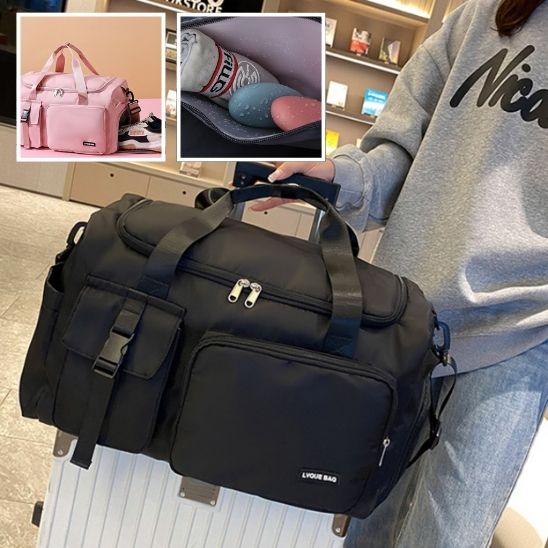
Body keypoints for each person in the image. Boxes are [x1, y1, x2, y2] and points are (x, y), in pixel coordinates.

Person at [253, 0, 548, 546]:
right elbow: (398, 151)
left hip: (522, 333)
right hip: (407, 318)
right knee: (368, 521)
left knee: (446, 536)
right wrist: (340, 175)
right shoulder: (482, 17)